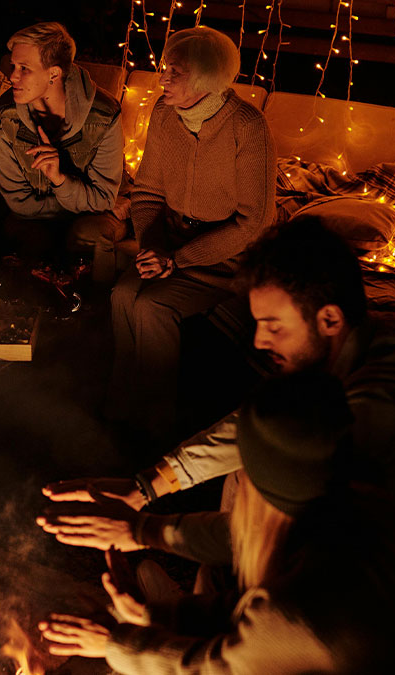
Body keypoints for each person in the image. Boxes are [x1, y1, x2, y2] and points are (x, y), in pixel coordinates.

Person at [42, 221, 395, 664]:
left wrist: (145, 535)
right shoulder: (374, 336)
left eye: (273, 325)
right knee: (250, 473)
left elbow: (270, 531)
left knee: (250, 480)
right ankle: (202, 613)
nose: (257, 341)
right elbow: (257, 427)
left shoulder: (379, 404)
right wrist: (145, 489)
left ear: (330, 320)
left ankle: (224, 621)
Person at [40, 371, 395, 673]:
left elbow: (216, 668)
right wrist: (162, 617)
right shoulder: (359, 515)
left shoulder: (307, 608)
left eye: (249, 480)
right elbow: (250, 622)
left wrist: (116, 643)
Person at [106, 26, 275, 442]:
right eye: (165, 68)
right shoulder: (164, 115)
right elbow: (146, 192)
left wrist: (177, 261)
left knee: (152, 308)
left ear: (203, 79)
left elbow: (254, 221)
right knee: (122, 294)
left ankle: (155, 427)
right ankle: (120, 409)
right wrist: (152, 245)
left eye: (174, 72)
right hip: (169, 243)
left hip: (227, 256)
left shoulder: (247, 126)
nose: (162, 79)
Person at [0, 21, 124, 282]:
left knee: (86, 233)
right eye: (13, 66)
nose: (12, 76)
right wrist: (78, 203)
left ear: (54, 74)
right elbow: (18, 202)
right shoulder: (5, 115)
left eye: (24, 69)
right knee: (33, 239)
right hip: (30, 214)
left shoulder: (105, 115)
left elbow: (103, 199)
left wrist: (61, 180)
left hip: (81, 214)